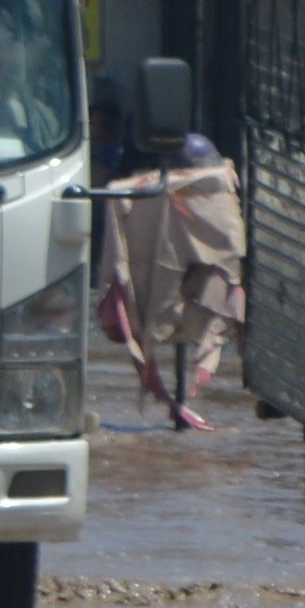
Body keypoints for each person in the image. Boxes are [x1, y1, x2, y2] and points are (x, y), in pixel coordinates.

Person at [106, 118, 247, 429]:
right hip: (161, 286)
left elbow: (231, 269)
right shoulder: (146, 205)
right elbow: (119, 281)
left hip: (200, 286)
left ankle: (183, 399)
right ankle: (174, 403)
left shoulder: (220, 208)